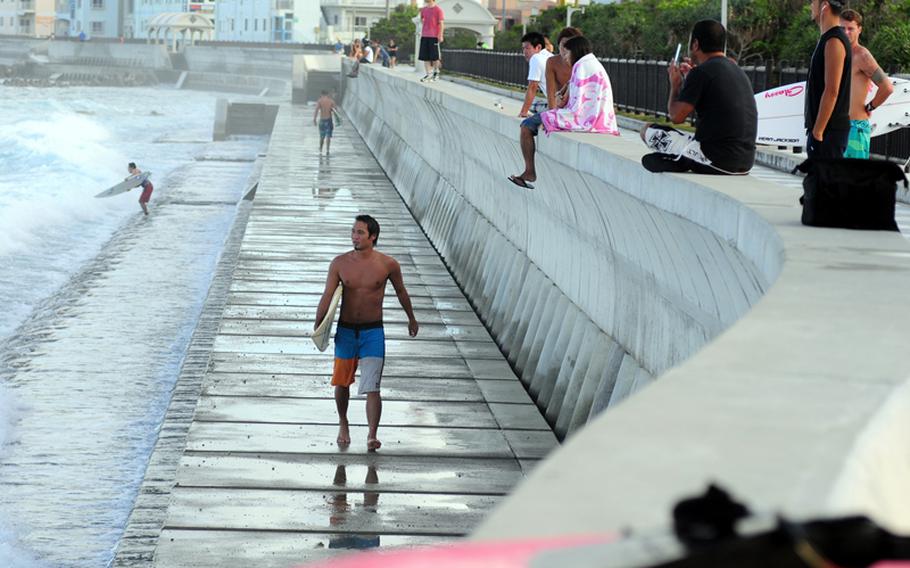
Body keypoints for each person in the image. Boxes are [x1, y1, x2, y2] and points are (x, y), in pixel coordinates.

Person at [315, 215, 419, 452]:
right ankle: (343, 422)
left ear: (373, 237)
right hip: (346, 331)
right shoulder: (340, 263)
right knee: (341, 383)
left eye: (360, 232)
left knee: (372, 386)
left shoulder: (387, 264)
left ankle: (372, 435)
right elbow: (328, 295)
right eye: (353, 231)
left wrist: (411, 317)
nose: (355, 236)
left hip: (373, 331)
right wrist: (318, 324)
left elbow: (401, 292)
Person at [639, 19, 757, 175]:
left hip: (715, 160)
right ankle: (681, 158)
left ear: (695, 44)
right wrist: (691, 80)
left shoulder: (700, 73)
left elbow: (676, 116)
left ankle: (681, 159)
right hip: (745, 162)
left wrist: (675, 85)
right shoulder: (736, 69)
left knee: (647, 130)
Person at [508, 36, 619, 190]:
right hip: (599, 117)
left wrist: (556, 107)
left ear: (575, 52)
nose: (565, 59)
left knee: (526, 125)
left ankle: (529, 172)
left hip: (583, 118)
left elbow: (575, 103)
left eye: (567, 54)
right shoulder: (592, 63)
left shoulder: (581, 66)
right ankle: (529, 172)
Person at [841, 9, 894, 159]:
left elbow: (887, 87)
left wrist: (870, 106)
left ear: (859, 30)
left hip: (854, 128)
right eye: (842, 28)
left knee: (854, 179)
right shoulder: (836, 54)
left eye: (850, 28)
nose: (846, 32)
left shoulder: (862, 55)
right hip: (835, 127)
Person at [805, 0, 851, 159]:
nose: (810, 5)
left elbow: (832, 90)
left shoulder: (834, 41)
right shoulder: (827, 39)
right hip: (825, 131)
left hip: (829, 132)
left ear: (824, 5)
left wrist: (818, 131)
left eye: (813, 2)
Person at [545, 27, 582, 110]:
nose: (566, 49)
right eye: (564, 45)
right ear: (558, 45)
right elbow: (551, 94)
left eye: (570, 46)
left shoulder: (583, 63)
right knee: (530, 122)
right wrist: (552, 116)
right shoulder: (552, 62)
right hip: (560, 108)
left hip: (579, 109)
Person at [518, 32, 553, 118]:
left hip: (557, 107)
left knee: (534, 106)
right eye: (523, 48)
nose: (524, 52)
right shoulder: (551, 56)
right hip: (567, 105)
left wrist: (524, 112)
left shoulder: (536, 58)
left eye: (527, 48)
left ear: (538, 47)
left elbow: (533, 86)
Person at [418, 0, 445, 82]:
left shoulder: (438, 10)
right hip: (425, 35)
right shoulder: (424, 10)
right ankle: (428, 74)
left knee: (435, 56)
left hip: (434, 36)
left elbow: (441, 24)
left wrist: (440, 35)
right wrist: (426, 25)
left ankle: (436, 72)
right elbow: (421, 19)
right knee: (425, 56)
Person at [314, 90, 337, 155]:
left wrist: (314, 119)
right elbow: (336, 111)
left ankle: (320, 150)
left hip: (322, 120)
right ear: (328, 94)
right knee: (328, 136)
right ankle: (327, 150)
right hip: (329, 120)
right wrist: (337, 121)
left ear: (321, 94)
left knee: (321, 136)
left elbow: (316, 110)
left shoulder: (320, 101)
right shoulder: (331, 101)